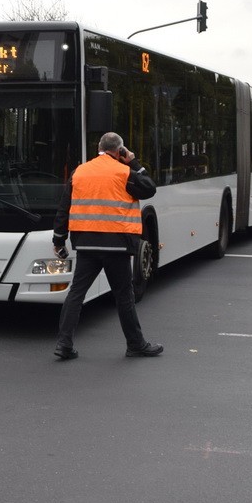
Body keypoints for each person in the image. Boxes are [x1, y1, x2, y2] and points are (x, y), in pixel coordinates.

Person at [52, 132, 163, 360]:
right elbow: (150, 188)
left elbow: (64, 208)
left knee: (76, 293)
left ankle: (64, 344)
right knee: (124, 295)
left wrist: (58, 239)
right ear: (119, 151)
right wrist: (133, 161)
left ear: (99, 148)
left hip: (86, 245)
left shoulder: (79, 172)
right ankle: (136, 345)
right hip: (116, 246)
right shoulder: (125, 173)